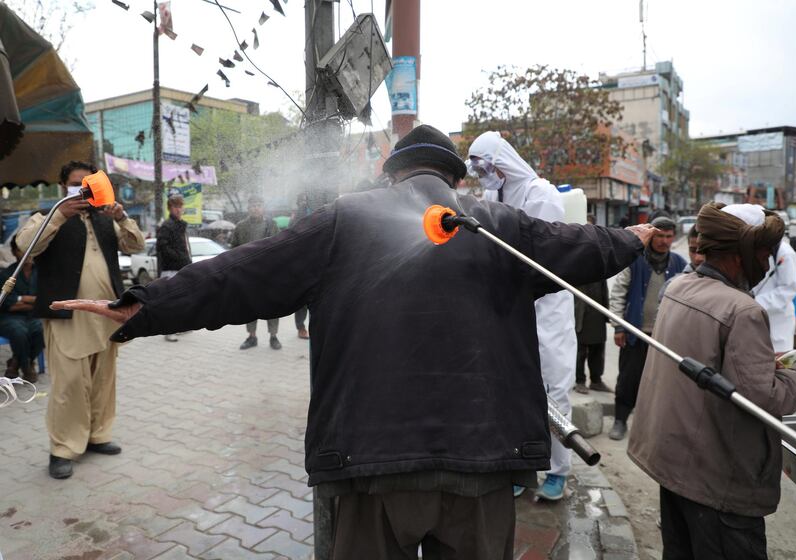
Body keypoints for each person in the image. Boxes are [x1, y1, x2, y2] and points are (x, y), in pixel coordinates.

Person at [53, 125, 653, 559]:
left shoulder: (345, 219)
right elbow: (586, 246)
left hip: (371, 467)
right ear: (456, 177)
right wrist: (637, 235)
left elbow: (240, 275)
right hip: (480, 465)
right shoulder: (501, 225)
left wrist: (143, 304)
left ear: (390, 173)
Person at [628, 202, 796, 560]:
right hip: (719, 485)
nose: (768, 265)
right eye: (765, 254)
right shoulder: (743, 311)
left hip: (675, 470)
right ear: (742, 254)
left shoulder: (679, 287)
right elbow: (766, 400)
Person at [16, 160, 144, 479]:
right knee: (70, 384)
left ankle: (98, 435)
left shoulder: (105, 218)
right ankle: (63, 448)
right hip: (66, 315)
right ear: (64, 188)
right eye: (77, 185)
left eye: (89, 184)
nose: (84, 190)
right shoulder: (47, 217)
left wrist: (122, 216)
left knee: (103, 378)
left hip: (106, 314)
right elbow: (24, 246)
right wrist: (60, 214)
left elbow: (136, 244)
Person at [467, 130, 577, 502]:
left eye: (486, 167)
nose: (484, 176)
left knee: (554, 387)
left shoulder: (540, 194)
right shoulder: (492, 195)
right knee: (512, 387)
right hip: (510, 302)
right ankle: (520, 465)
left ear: (502, 162)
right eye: (479, 170)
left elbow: (544, 252)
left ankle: (558, 470)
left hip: (547, 306)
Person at [608, 216, 686, 440]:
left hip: (664, 337)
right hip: (635, 333)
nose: (663, 241)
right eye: (659, 235)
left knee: (660, 383)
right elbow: (619, 293)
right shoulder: (634, 261)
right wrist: (618, 327)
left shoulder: (680, 264)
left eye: (668, 236)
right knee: (627, 380)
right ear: (651, 235)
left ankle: (651, 427)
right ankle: (620, 420)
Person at [231, 194, 282, 350]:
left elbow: (280, 247)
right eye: (253, 205)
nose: (255, 208)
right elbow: (233, 249)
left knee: (272, 307)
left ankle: (273, 336)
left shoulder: (272, 225)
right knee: (250, 307)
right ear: (248, 208)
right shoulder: (241, 226)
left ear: (263, 207)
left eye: (258, 205)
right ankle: (252, 336)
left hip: (269, 275)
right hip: (248, 275)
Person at [574, 214, 612, 395]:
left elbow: (604, 285)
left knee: (598, 346)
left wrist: (606, 311)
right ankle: (579, 380)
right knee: (580, 349)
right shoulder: (571, 254)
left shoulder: (599, 252)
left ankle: (596, 380)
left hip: (597, 307)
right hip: (579, 310)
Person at [0, 236, 43, 383]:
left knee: (43, 328)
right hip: (9, 318)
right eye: (22, 250)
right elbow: (8, 304)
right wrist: (32, 300)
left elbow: (45, 301)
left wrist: (20, 299)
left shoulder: (42, 273)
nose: (28, 254)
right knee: (18, 330)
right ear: (14, 252)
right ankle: (27, 366)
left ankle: (16, 362)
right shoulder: (6, 275)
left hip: (33, 316)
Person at [752, 237, 796, 353]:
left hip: (778, 321)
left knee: (779, 364)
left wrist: (755, 301)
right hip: (755, 317)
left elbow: (789, 289)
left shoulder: (785, 253)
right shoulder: (753, 247)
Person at [156, 193, 192, 342]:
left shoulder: (181, 224)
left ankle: (179, 326)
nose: (178, 209)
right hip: (171, 268)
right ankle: (168, 330)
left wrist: (187, 260)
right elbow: (162, 247)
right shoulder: (167, 225)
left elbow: (185, 246)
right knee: (170, 300)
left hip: (182, 267)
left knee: (181, 299)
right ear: (170, 208)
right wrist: (180, 257)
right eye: (175, 207)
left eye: (180, 206)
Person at [290, 193, 313, 340]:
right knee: (302, 300)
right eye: (302, 201)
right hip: (302, 262)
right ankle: (301, 327)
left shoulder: (323, 208)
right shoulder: (298, 216)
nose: (304, 202)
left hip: (318, 258)